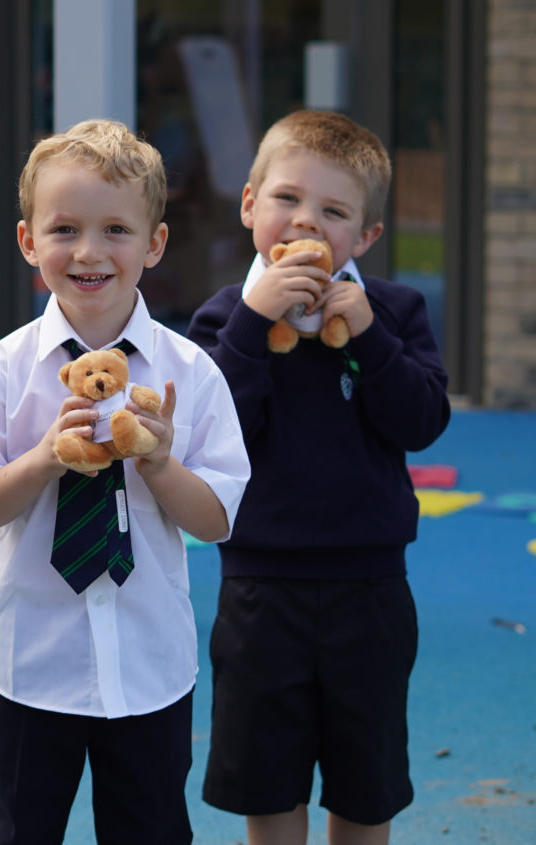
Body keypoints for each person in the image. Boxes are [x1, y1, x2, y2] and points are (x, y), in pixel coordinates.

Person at [0, 119, 250, 844]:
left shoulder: (191, 373)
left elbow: (215, 521)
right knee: (21, 831)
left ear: (154, 244)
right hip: (28, 665)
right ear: (28, 242)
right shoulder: (5, 370)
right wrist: (46, 455)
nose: (88, 251)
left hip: (149, 666)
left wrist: (159, 464)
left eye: (116, 229)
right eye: (65, 229)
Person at [187, 109, 450, 845]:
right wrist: (251, 324)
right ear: (249, 206)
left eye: (333, 212)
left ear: (364, 237)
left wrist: (370, 334)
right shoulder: (218, 319)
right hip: (259, 587)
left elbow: (423, 419)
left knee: (367, 784)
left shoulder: (396, 310)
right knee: (265, 778)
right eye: (287, 200)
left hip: (370, 587)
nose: (305, 222)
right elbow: (210, 428)